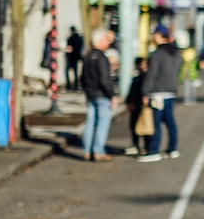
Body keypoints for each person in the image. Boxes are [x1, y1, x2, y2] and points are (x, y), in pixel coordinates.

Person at [138, 24, 182, 163]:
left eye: (155, 34)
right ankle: (172, 148)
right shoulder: (175, 53)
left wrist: (145, 92)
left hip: (157, 93)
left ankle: (154, 150)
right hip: (170, 92)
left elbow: (152, 75)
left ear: (159, 36)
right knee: (170, 122)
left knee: (155, 122)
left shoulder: (157, 54)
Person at [80, 28, 117, 162]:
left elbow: (82, 77)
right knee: (102, 123)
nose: (108, 42)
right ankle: (98, 150)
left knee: (90, 123)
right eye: (106, 39)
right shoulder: (102, 58)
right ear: (100, 40)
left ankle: (87, 150)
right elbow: (104, 79)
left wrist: (87, 90)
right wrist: (112, 95)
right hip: (101, 95)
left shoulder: (88, 56)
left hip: (90, 94)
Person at [124, 57, 150, 156]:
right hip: (135, 105)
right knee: (134, 125)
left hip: (142, 105)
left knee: (145, 126)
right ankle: (135, 144)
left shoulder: (147, 78)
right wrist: (129, 102)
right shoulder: (136, 77)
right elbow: (131, 91)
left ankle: (147, 146)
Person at [64, 25, 84, 90]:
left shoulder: (73, 38)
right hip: (73, 57)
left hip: (72, 57)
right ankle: (73, 85)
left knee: (70, 71)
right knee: (73, 71)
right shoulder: (77, 38)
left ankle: (70, 85)